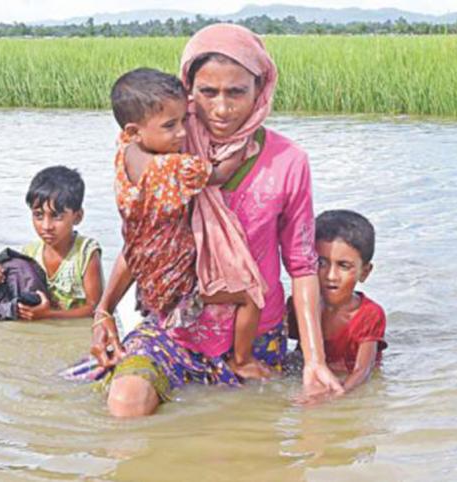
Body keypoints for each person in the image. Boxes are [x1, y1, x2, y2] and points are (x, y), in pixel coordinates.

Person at [91, 24, 342, 417]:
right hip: (174, 327)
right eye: (207, 92)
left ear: (260, 90)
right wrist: (103, 309)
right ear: (188, 89)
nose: (222, 109)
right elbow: (144, 239)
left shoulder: (288, 161)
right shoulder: (164, 147)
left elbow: (302, 264)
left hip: (255, 333)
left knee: (246, 436)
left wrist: (314, 362)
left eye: (236, 92)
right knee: (126, 404)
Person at [107, 67, 270, 379]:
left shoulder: (125, 153)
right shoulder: (175, 168)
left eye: (185, 120)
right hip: (178, 283)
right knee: (250, 295)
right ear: (134, 130)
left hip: (147, 279)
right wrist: (245, 145)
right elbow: (219, 174)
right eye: (170, 125)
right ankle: (243, 360)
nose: (183, 133)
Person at [0, 166, 103, 320]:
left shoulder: (85, 253)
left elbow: (95, 308)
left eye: (56, 216)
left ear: (77, 216)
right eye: (38, 215)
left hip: (66, 326)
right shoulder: (29, 253)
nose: (46, 226)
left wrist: (50, 315)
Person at [288, 210, 387, 394]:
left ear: (364, 272)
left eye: (343, 266)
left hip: (348, 382)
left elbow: (363, 371)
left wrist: (337, 396)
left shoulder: (368, 314)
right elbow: (295, 354)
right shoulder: (300, 305)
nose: (331, 276)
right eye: (321, 263)